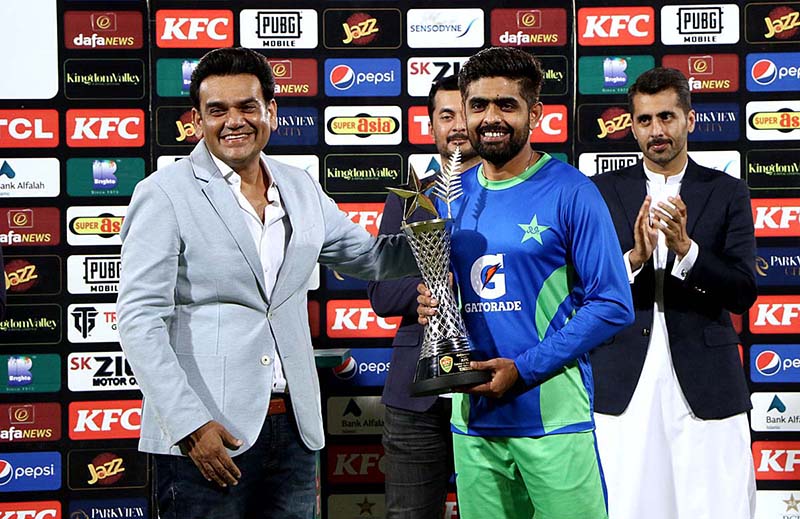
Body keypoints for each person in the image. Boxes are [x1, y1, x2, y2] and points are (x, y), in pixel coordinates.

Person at [116, 47, 417, 519]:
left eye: (247, 107)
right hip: (210, 434)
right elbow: (139, 321)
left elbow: (372, 258)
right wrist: (191, 425)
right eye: (217, 110)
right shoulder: (163, 194)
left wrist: (448, 236)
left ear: (270, 112)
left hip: (295, 432)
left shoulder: (301, 187)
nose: (233, 121)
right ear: (197, 121)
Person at [416, 47, 634, 519]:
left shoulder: (571, 190)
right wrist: (432, 309)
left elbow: (613, 303)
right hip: (473, 423)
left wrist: (524, 368)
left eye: (506, 105)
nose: (490, 118)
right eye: (478, 106)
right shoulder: (447, 196)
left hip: (551, 418)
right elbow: (449, 293)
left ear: (535, 113)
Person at [590, 67, 757, 519]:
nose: (656, 131)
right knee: (625, 506)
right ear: (632, 125)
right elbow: (582, 289)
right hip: (622, 382)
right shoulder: (600, 192)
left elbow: (743, 291)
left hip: (707, 383)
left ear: (690, 119)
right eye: (644, 120)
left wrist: (688, 252)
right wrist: (634, 262)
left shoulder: (726, 192)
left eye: (666, 117)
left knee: (716, 507)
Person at [367, 75, 480, 519]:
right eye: (444, 115)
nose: (456, 126)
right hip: (416, 396)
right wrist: (429, 289)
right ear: (430, 125)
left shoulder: (519, 194)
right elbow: (379, 293)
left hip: (496, 385)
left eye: (464, 113)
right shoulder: (410, 200)